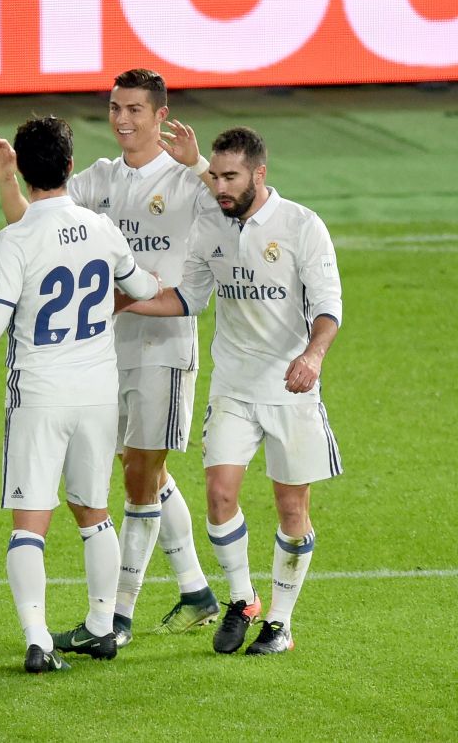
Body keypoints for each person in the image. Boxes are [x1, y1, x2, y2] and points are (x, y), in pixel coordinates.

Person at [0, 68, 220, 647]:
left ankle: (118, 615)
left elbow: (237, 200)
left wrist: (199, 166)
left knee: (141, 477)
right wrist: (11, 181)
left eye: (136, 109)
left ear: (161, 115)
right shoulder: (102, 178)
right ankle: (193, 588)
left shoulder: (185, 178)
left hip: (165, 344)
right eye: (116, 107)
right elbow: (37, 222)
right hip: (105, 350)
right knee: (137, 470)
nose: (122, 119)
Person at [0, 116, 160, 672]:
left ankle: (37, 641)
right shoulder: (102, 229)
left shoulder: (15, 239)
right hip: (98, 392)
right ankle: (102, 627)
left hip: (41, 393)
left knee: (31, 523)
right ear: (71, 167)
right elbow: (143, 287)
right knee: (94, 512)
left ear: (22, 172)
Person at [122, 126, 343, 655]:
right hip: (233, 386)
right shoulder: (210, 226)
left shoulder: (301, 226)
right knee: (220, 496)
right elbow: (189, 297)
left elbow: (328, 305)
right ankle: (243, 602)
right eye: (214, 175)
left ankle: (281, 623)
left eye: (230, 176)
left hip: (290, 390)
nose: (219, 186)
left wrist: (312, 356)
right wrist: (125, 301)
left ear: (259, 174)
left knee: (292, 508)